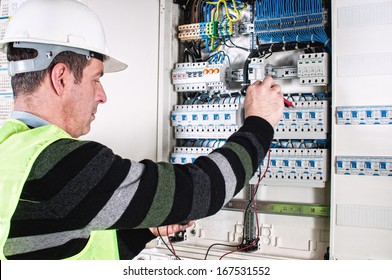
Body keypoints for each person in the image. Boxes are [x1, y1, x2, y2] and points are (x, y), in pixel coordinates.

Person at [0, 0, 283, 260]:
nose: (102, 95)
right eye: (96, 79)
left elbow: (63, 243)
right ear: (61, 78)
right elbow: (204, 190)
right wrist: (260, 122)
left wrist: (144, 231)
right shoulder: (62, 166)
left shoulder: (10, 150)